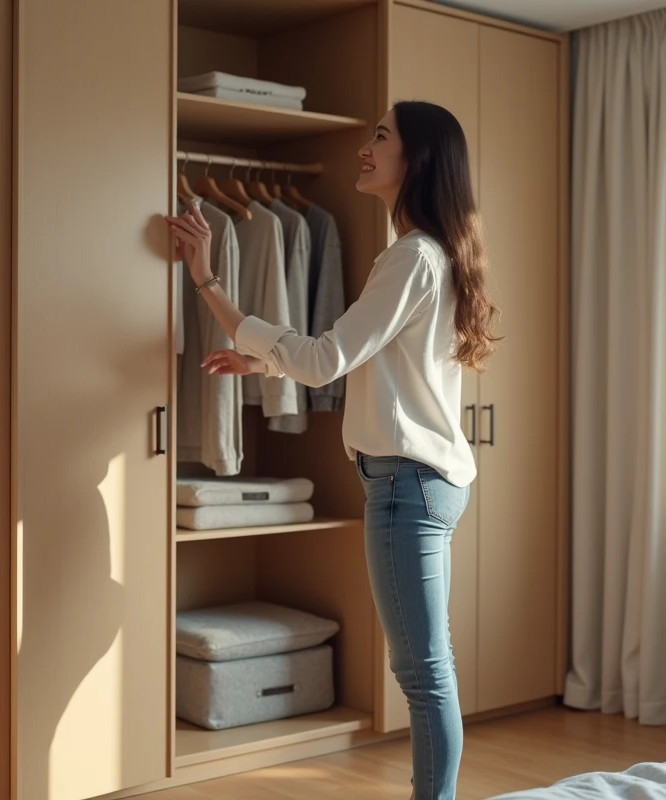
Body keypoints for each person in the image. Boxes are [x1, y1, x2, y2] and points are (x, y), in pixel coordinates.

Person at [166, 100, 499, 800]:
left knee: (424, 673)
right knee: (428, 668)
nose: (363, 149)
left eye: (381, 137)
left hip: (407, 485)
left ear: (418, 160)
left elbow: (324, 359)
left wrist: (207, 283)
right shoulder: (426, 256)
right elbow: (363, 358)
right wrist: (267, 363)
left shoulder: (410, 257)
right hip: (421, 479)